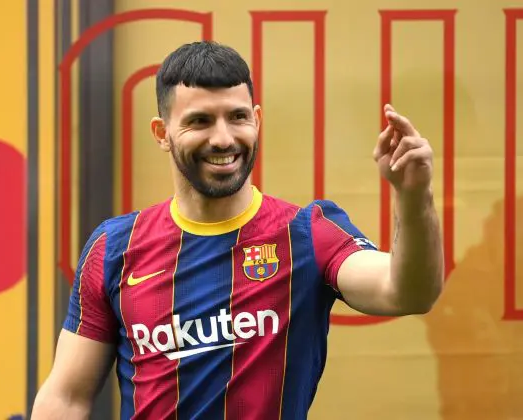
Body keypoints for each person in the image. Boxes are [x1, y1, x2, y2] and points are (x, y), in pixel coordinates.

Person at [31, 41, 444, 419]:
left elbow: (407, 291)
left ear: (257, 120)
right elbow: (67, 397)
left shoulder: (308, 233)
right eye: (200, 121)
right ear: (162, 133)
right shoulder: (114, 247)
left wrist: (413, 196)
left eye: (238, 117)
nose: (224, 138)